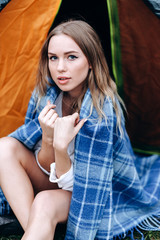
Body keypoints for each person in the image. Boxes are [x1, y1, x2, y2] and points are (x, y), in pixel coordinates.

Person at [0, 19, 160, 240]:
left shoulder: (103, 111)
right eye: (53, 58)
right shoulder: (46, 94)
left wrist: (61, 147)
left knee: (44, 202)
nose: (60, 68)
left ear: (91, 61)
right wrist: (48, 139)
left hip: (84, 191)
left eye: (71, 57)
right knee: (4, 148)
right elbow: (46, 170)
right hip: (54, 178)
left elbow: (86, 188)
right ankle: (38, 230)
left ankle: (40, 227)